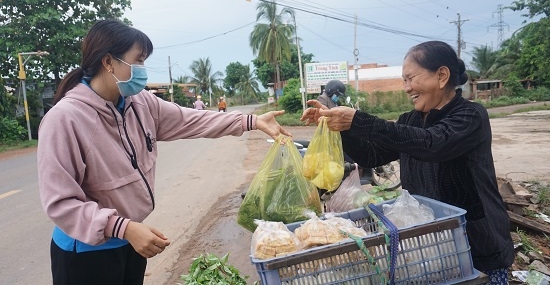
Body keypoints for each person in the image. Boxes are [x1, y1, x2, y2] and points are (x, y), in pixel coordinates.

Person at [37, 19, 292, 285]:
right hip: (87, 254)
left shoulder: (139, 103)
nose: (142, 70)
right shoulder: (65, 119)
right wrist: (123, 228)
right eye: (138, 61)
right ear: (109, 62)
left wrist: (250, 121)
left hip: (132, 240)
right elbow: (61, 203)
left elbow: (191, 120)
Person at [301, 40, 513, 284]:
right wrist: (340, 128)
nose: (406, 87)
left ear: (442, 76)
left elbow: (432, 144)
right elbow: (373, 156)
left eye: (410, 78)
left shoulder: (470, 115)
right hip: (430, 244)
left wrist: (358, 120)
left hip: (476, 243)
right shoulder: (410, 120)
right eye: (404, 80)